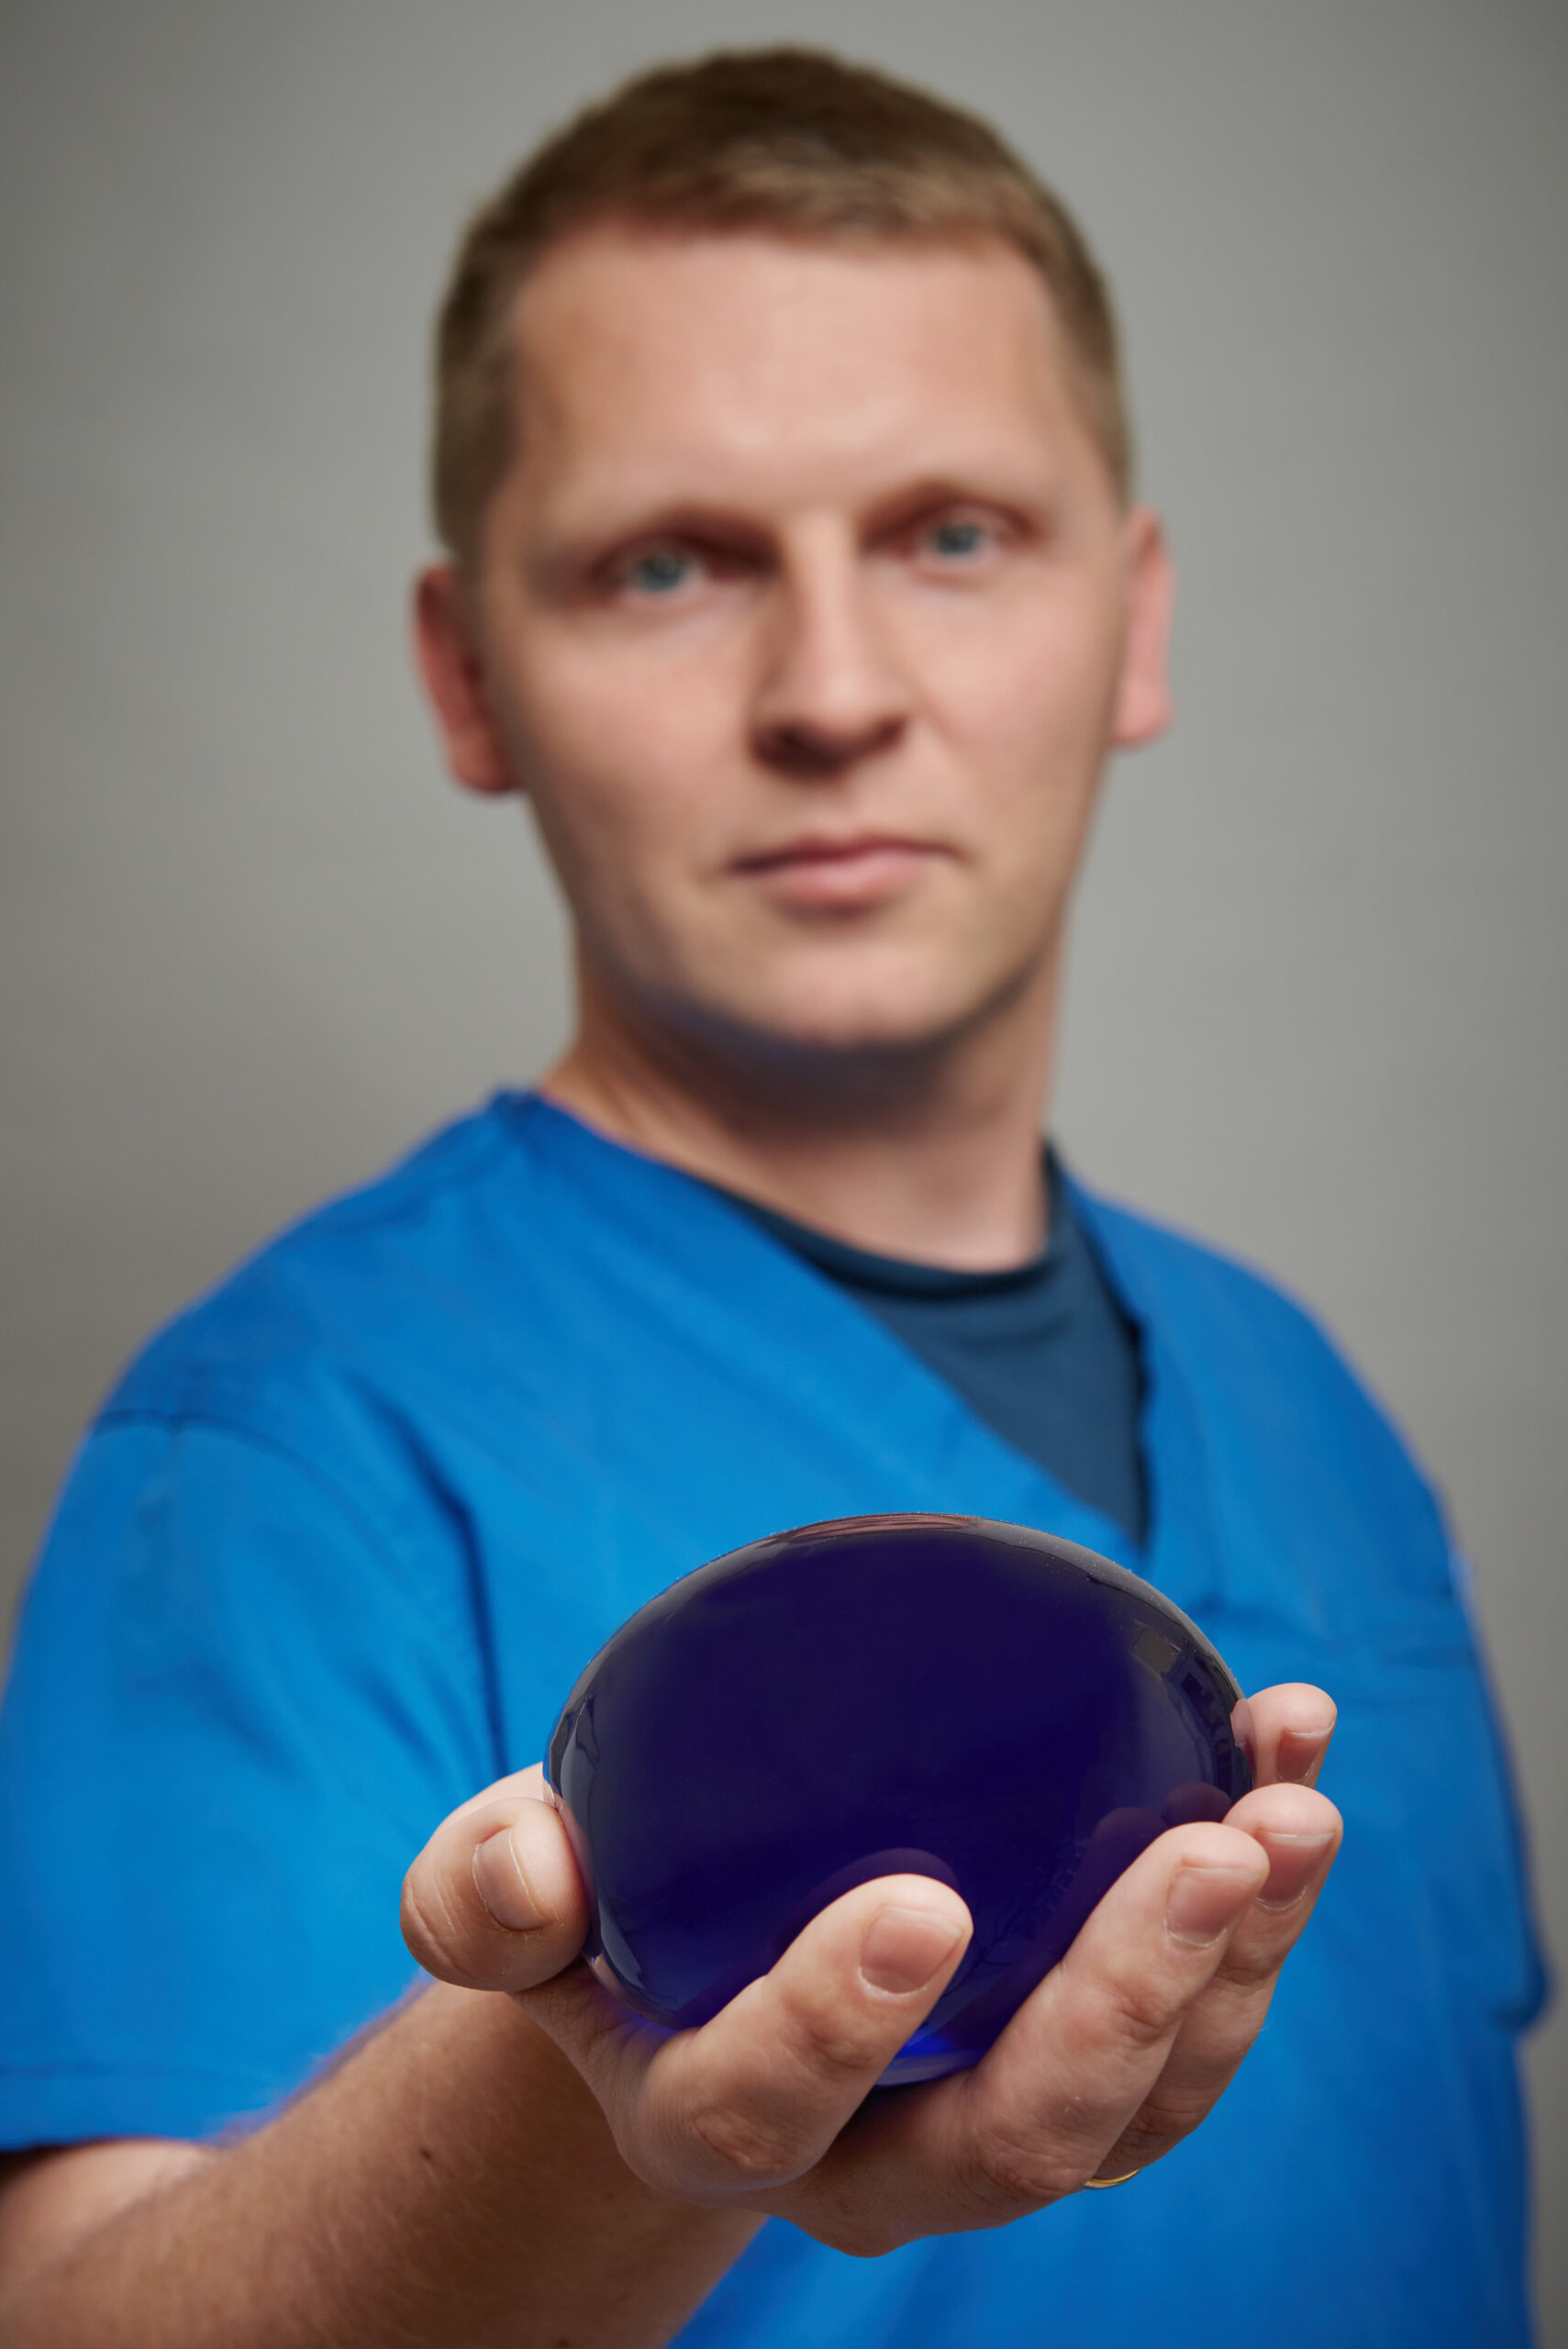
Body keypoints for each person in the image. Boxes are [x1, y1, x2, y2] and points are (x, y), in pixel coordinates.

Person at [0, 47, 1543, 2349]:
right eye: (670, 563)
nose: (833, 690)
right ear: (470, 676)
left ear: (1131, 619)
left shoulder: (1302, 1397)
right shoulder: (280, 1454)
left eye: (952, 535)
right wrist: (592, 2103)